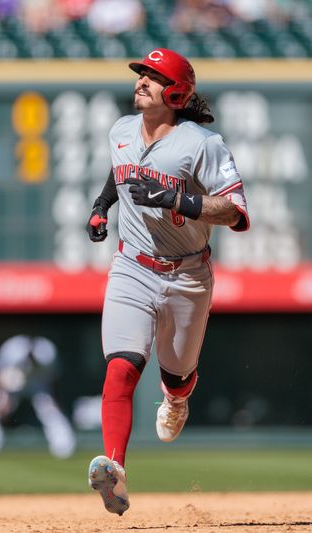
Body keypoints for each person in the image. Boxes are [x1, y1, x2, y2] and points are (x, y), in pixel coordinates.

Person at [84, 48, 250, 515]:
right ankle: (114, 471)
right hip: (132, 266)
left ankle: (177, 399)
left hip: (186, 275)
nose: (141, 82)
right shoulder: (120, 130)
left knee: (176, 375)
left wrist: (178, 198)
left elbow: (235, 210)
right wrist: (101, 206)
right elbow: (119, 172)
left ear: (176, 92)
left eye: (153, 77)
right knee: (122, 367)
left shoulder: (202, 143)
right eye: (141, 74)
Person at [0, 334, 76, 459]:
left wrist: (55, 399)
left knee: (50, 409)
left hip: (38, 383)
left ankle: (64, 446)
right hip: (12, 381)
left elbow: (54, 379)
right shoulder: (11, 349)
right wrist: (0, 394)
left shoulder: (48, 352)